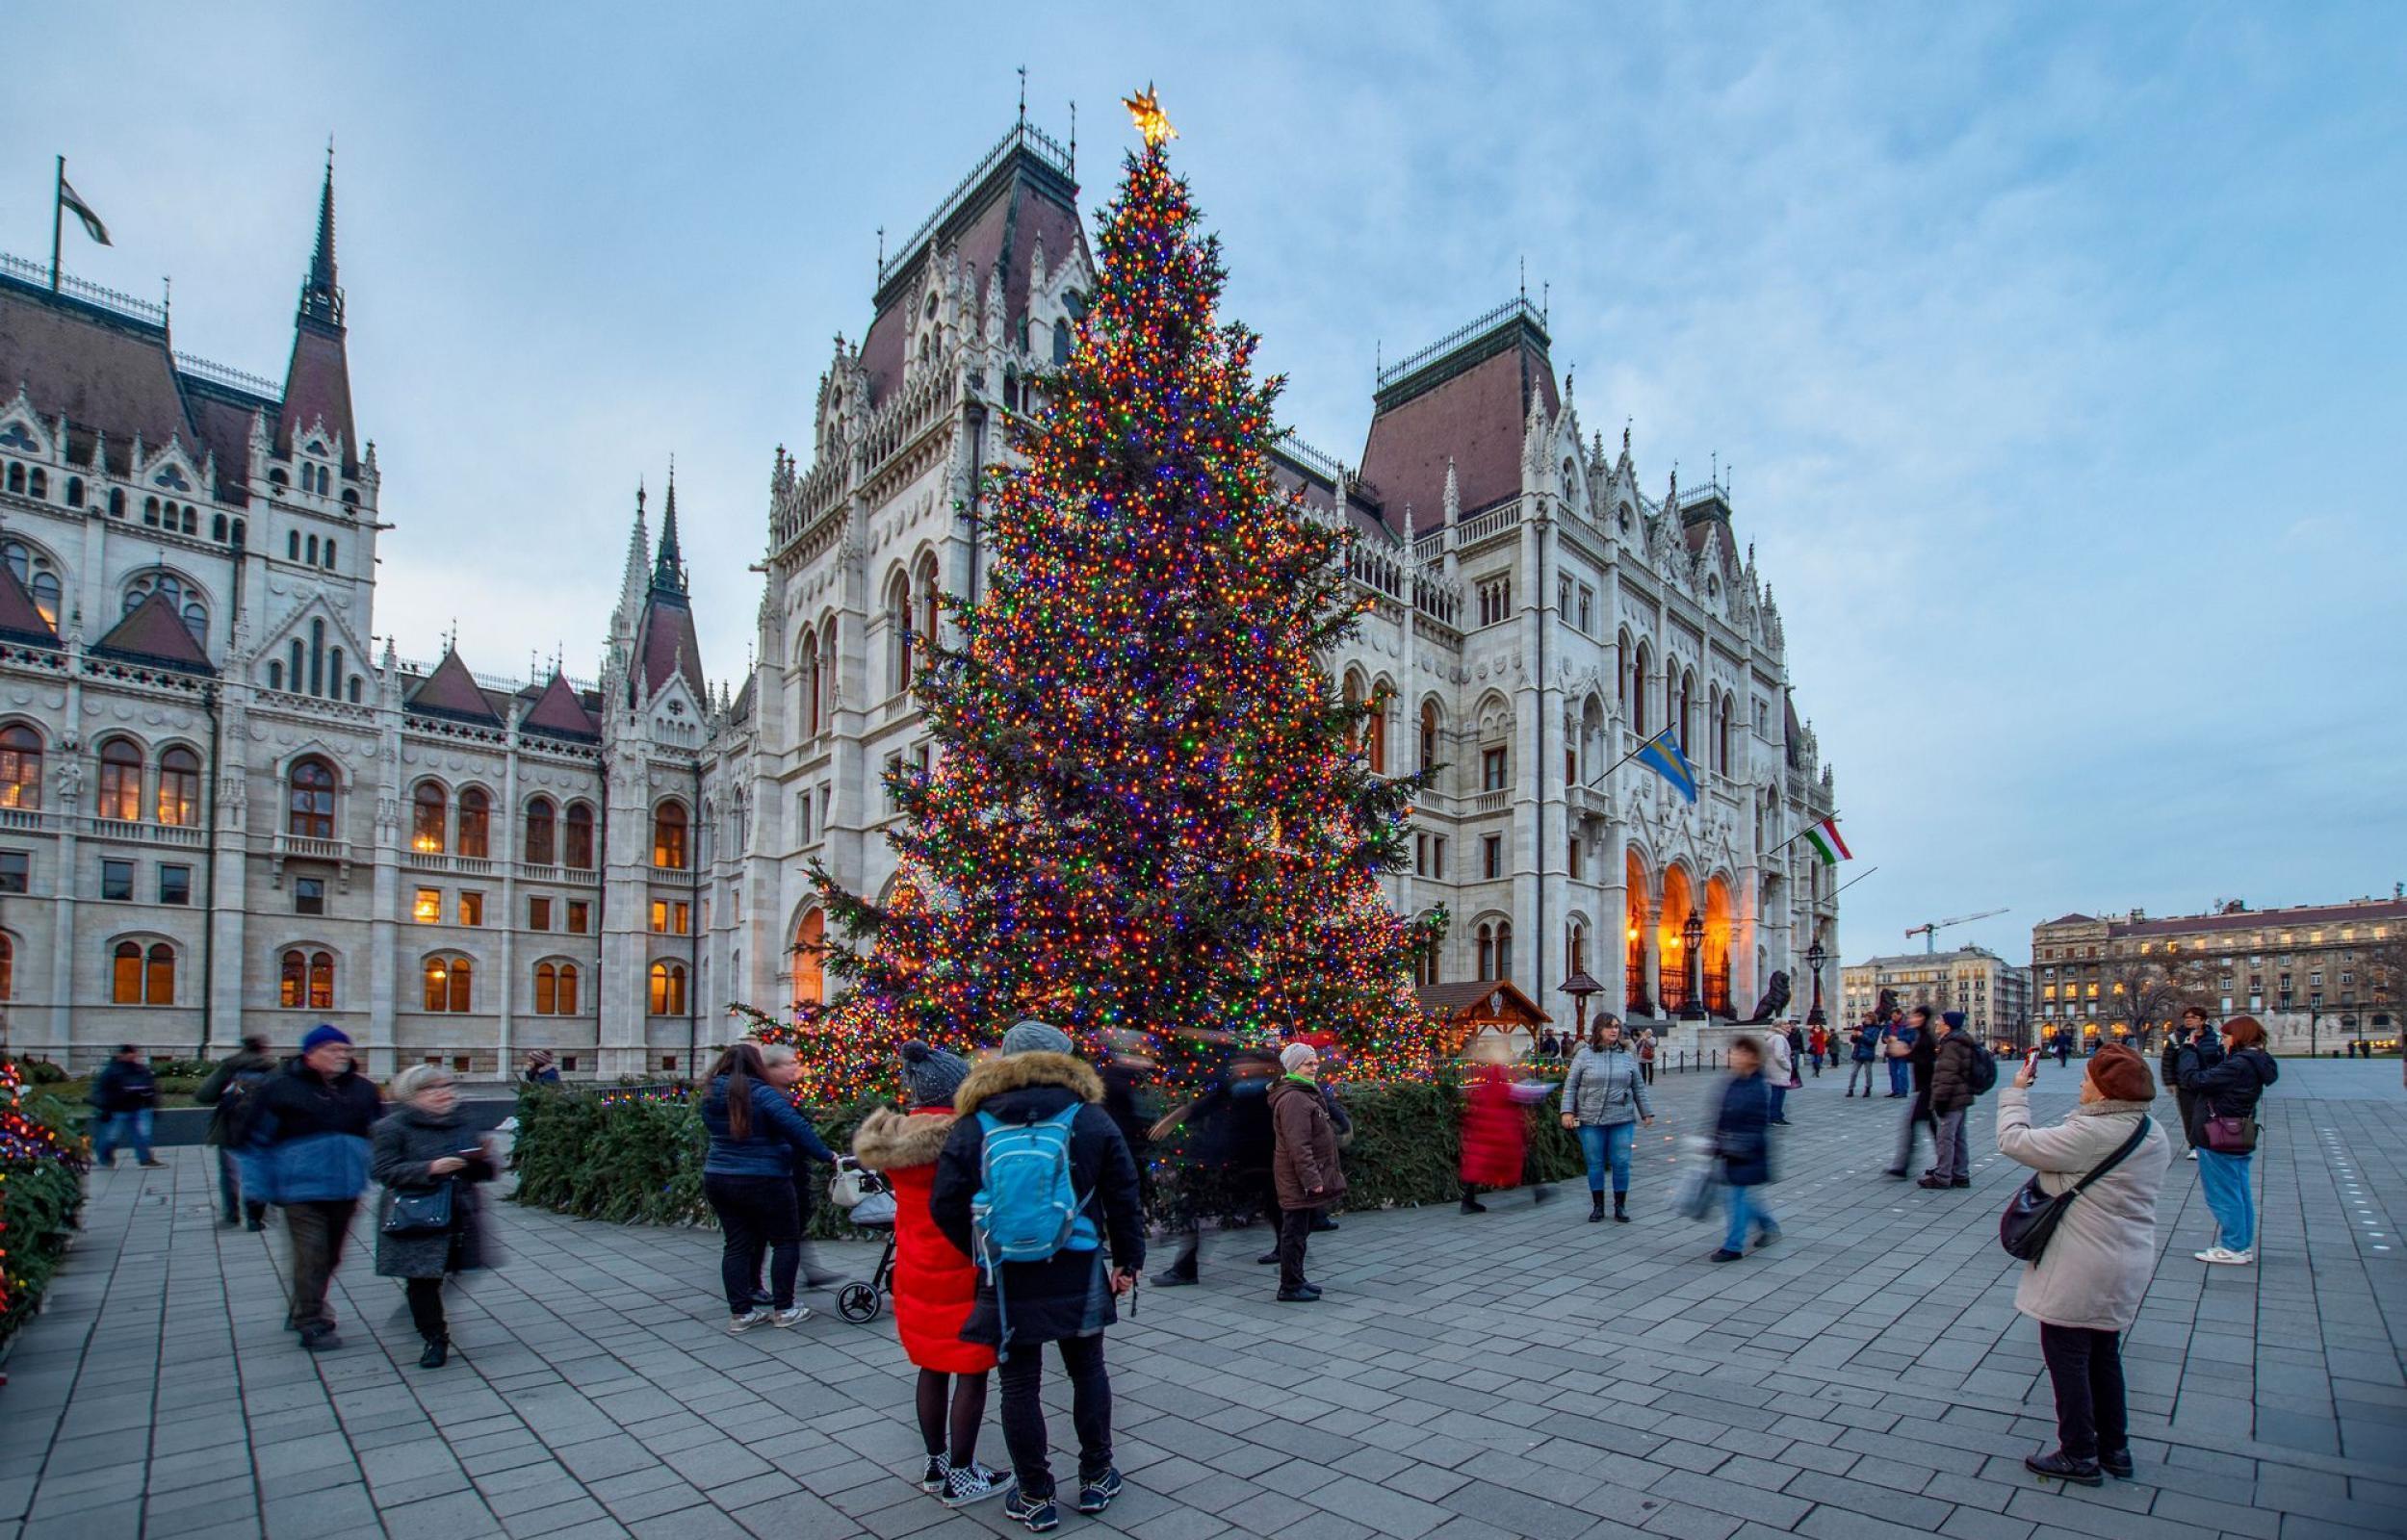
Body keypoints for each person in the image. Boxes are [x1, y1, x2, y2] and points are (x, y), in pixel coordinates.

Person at [931, 1021, 1145, 1533]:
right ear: (1065, 1060)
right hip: (1078, 1262)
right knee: (1088, 1370)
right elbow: (1124, 1193)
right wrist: (1127, 1262)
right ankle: (1096, 1477)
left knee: (1019, 1384)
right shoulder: (1089, 1117)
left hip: (1005, 1273)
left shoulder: (975, 1120)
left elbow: (944, 1203)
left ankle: (1034, 1494)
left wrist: (984, 1252)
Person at [1996, 1043, 2167, 1485]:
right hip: (2125, 1257)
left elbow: (2014, 1141)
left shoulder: (2090, 1135)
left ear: (2105, 1090)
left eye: (2088, 1077)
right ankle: (2115, 1447)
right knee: (2104, 1354)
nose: (2081, 1082)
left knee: (2067, 1357)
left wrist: (2016, 1092)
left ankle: (2078, 1452)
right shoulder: (2150, 1131)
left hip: (2081, 1260)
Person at [852, 1042, 1004, 1507]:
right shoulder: (967, 1136)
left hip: (916, 1266)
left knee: (932, 1366)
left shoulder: (896, 1139)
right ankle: (963, 1473)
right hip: (960, 1265)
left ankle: (935, 1463)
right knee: (972, 1371)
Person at [241, 1024, 382, 1349]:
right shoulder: (280, 1088)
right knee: (311, 1255)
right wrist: (257, 1191)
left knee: (331, 1256)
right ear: (310, 1053)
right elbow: (255, 1140)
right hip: (299, 1189)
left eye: (345, 1050)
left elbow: (378, 1132)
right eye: (333, 1050)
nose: (341, 1056)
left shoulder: (362, 1090)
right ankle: (312, 1321)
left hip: (346, 1186)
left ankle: (302, 1305)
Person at [700, 1040, 837, 1332]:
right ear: (756, 1066)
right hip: (765, 1178)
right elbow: (797, 1128)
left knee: (736, 1245)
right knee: (785, 1241)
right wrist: (828, 1155)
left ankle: (741, 1313)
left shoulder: (711, 1094)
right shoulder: (763, 1094)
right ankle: (784, 1308)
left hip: (719, 1176)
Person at [371, 1065, 497, 1369]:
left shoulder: (461, 1122)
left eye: (447, 1086)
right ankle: (434, 1337)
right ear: (411, 1095)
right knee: (423, 1279)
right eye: (432, 1088)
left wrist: (479, 1161)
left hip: (459, 1210)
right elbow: (382, 1170)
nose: (443, 1093)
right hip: (416, 1211)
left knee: (459, 1269)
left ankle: (422, 1315)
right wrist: (429, 1168)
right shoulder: (393, 1127)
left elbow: (485, 1171)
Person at [1150, 1043, 1276, 1286]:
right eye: (1240, 1063)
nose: (1242, 1067)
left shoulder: (1268, 1093)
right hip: (1230, 1163)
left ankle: (1290, 1258)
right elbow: (1205, 1105)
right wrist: (1175, 1118)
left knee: (1275, 1207)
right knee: (1193, 1208)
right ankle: (1185, 1268)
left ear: (1265, 1067)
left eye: (1248, 1063)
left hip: (1255, 1163)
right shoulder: (1234, 1088)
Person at [2180, 1014, 2278, 1266]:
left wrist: (2189, 1051)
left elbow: (2194, 1081)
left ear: (2239, 1037)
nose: (2222, 1042)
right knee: (2239, 1192)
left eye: (2225, 1037)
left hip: (2218, 1134)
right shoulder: (2256, 1061)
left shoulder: (2238, 1065)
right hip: (2238, 1131)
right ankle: (2241, 1244)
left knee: (2223, 1194)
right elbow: (2213, 1075)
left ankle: (2233, 1246)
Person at [1558, 1014, 1653, 1222]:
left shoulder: (1627, 1056)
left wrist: (1646, 1112)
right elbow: (1571, 1085)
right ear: (1598, 1029)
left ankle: (1620, 1205)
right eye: (1609, 1027)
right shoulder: (1584, 1056)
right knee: (1595, 1162)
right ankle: (1598, 1206)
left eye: (1617, 1027)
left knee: (1621, 1161)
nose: (1614, 1031)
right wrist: (1567, 1111)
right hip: (1590, 1119)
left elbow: (1638, 1086)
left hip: (1621, 1117)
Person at [1269, 1042, 1344, 1301]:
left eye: (1315, 1062)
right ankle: (1289, 1286)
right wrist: (1311, 1179)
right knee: (1294, 1232)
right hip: (1297, 1178)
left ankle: (1297, 1278)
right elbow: (1298, 1145)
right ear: (1293, 1067)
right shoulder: (1294, 1098)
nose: (1314, 1067)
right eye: (1307, 1063)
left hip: (1302, 1176)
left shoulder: (1304, 1092)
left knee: (1301, 1229)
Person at [1707, 1037, 1780, 1261]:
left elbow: (1757, 1122)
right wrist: (1715, 1140)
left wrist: (1739, 1144)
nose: (1733, 1056)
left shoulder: (1757, 1086)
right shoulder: (1732, 1081)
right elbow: (1721, 1113)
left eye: (1739, 1053)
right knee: (1742, 1197)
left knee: (1736, 1197)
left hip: (1747, 1151)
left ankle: (1733, 1246)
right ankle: (1768, 1225)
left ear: (1752, 1058)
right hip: (1730, 1148)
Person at [196, 1035, 278, 1227]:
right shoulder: (272, 1069)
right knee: (259, 1168)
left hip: (230, 1126)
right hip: (263, 1127)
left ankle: (231, 1213)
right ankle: (254, 1214)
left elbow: (204, 1095)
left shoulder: (229, 1066)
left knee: (229, 1172)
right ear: (263, 1048)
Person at [1459, 1036, 1548, 1211]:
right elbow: (1528, 1095)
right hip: (1504, 1134)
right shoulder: (1506, 1088)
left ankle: (1468, 1200)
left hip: (1484, 1134)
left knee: (1477, 1165)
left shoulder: (1485, 1088)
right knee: (1525, 1158)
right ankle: (1539, 1190)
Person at [1922, 1011, 1980, 1189]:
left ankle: (1943, 1175)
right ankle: (1960, 1174)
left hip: (1951, 1097)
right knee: (1959, 1136)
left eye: (1939, 1020)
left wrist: (1940, 1099)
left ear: (1947, 1025)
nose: (1937, 1023)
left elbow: (1947, 1075)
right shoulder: (1960, 1041)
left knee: (1945, 1137)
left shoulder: (1951, 1044)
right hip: (1961, 1096)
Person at [88, 1044, 164, 1168]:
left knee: (140, 1136)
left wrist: (153, 1103)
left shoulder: (140, 1069)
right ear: (122, 1055)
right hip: (116, 1109)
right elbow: (101, 1090)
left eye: (134, 1053)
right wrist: (103, 1106)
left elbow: (151, 1086)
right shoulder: (111, 1071)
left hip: (136, 1107)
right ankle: (105, 1159)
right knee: (109, 1137)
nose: (133, 1056)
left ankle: (145, 1159)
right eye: (130, 1053)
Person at [1885, 1007, 1940, 1177]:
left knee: (1912, 1125)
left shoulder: (1925, 1038)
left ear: (1922, 1018)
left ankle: (1902, 1167)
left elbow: (1925, 1061)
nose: (1911, 1019)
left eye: (1915, 1016)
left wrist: (1905, 1052)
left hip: (1926, 1089)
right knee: (1934, 1129)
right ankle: (1948, 1161)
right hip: (1924, 1089)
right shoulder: (1920, 1036)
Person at [2161, 1008, 2218, 1163]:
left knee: (2210, 1115)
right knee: (2190, 1116)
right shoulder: (2176, 1038)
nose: (2188, 1020)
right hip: (2185, 1085)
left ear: (2202, 1020)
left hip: (2209, 1083)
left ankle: (2211, 1142)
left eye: (2193, 1017)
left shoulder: (2215, 1038)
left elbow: (2220, 1059)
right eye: (2186, 1017)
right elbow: (2168, 1061)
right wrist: (2170, 1082)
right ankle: (2194, 1146)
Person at [1762, 1027, 1796, 1125]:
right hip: (1779, 1070)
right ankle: (1775, 1117)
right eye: (1785, 1024)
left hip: (1773, 1069)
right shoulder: (1779, 1038)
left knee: (1776, 1094)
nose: (1788, 1026)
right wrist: (1788, 1066)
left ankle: (1775, 1116)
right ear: (1779, 1026)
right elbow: (1779, 1055)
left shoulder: (1772, 1037)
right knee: (1778, 1095)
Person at [1845, 1020, 1880, 1098]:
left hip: (1868, 1054)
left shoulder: (1875, 1029)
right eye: (1866, 1018)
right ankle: (1850, 1089)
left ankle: (1868, 1089)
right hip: (1858, 1053)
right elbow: (1853, 1041)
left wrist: (1862, 1035)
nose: (1866, 1020)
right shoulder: (1860, 1027)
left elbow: (1873, 1041)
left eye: (1868, 1018)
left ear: (1872, 1019)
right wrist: (1854, 1036)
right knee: (1853, 1072)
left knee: (1868, 1072)